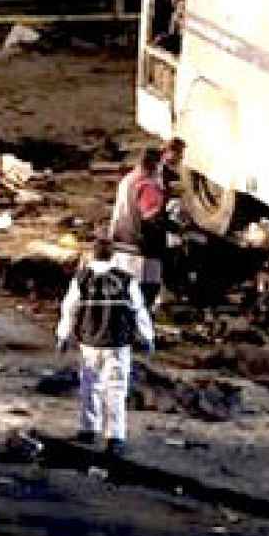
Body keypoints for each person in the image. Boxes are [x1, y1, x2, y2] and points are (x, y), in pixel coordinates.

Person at [55, 239, 155, 457]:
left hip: (89, 342)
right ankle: (115, 437)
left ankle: (88, 429)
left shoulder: (81, 279)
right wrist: (148, 337)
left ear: (92, 255)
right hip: (117, 344)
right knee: (116, 390)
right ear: (113, 256)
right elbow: (139, 311)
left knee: (89, 386)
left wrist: (62, 336)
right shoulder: (126, 280)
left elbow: (69, 309)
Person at [108, 146, 171, 309]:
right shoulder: (147, 184)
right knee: (145, 294)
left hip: (120, 241)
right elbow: (151, 216)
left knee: (123, 292)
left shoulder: (128, 179)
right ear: (156, 165)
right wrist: (175, 227)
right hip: (142, 248)